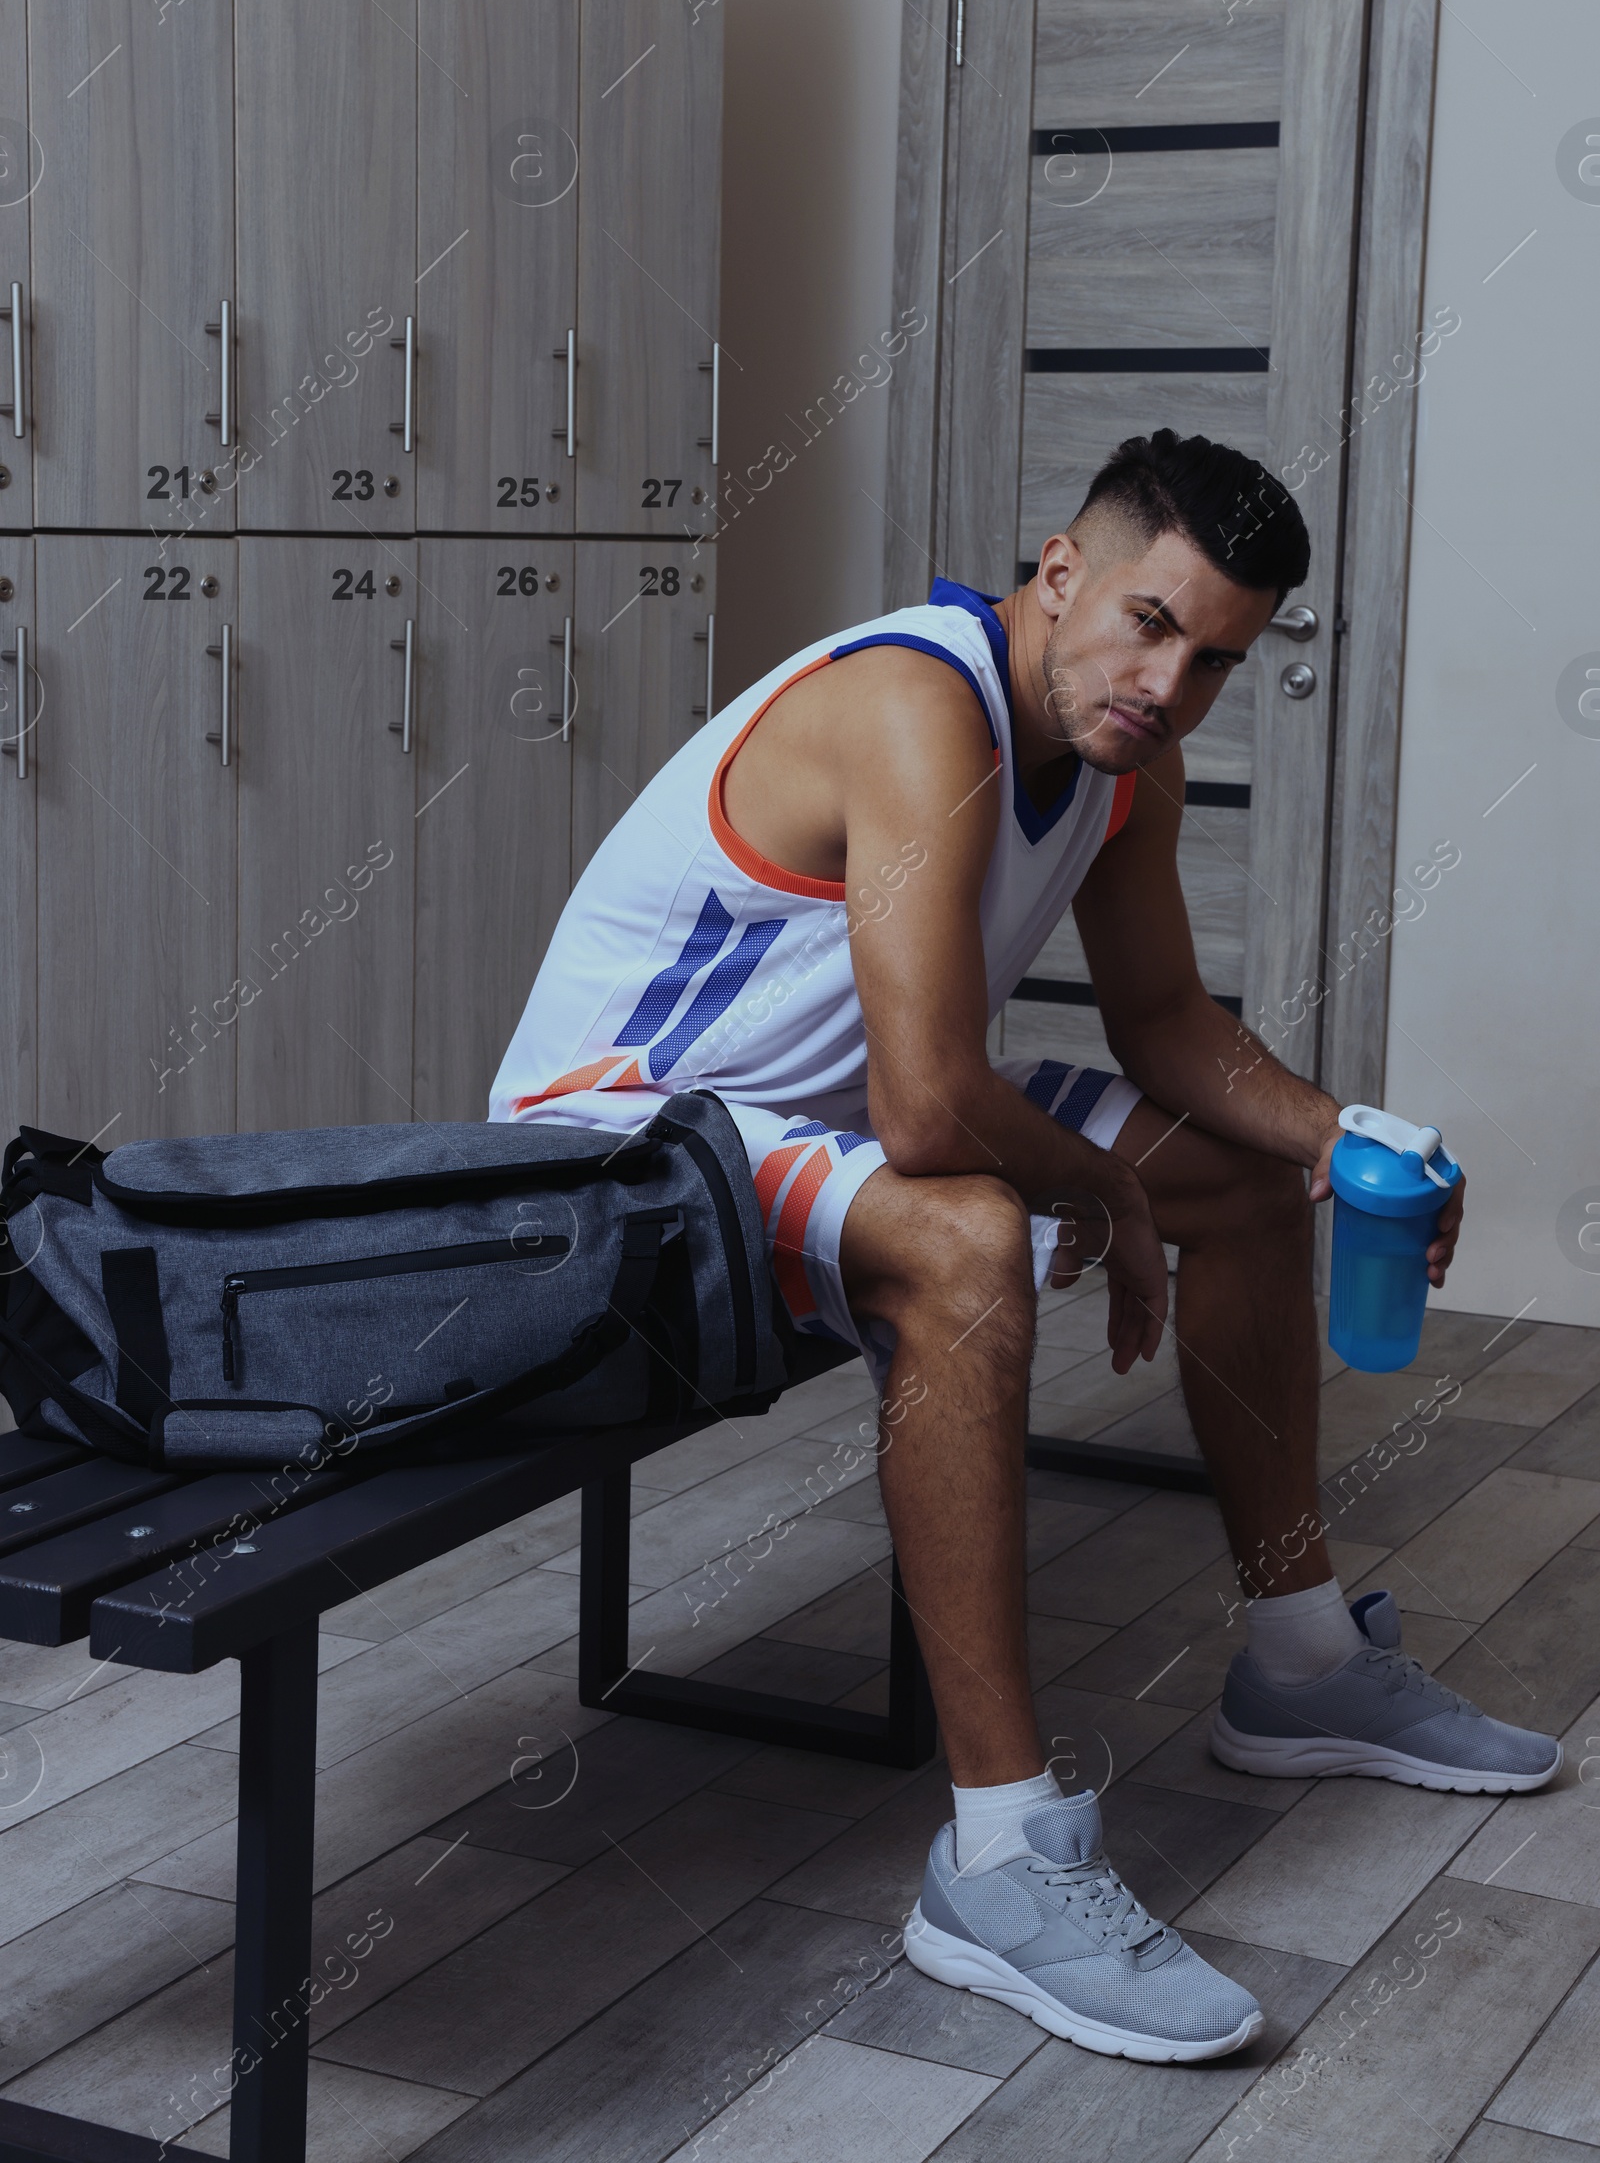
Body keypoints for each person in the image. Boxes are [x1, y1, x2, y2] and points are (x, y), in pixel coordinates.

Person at [490, 429, 1559, 2065]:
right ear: (1060, 570)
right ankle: (998, 1860)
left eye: (1212, 658)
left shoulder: (1132, 756)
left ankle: (1299, 1661)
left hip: (827, 1098)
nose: (1165, 681)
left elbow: (1167, 1022)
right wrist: (1105, 1201)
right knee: (973, 1234)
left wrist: (1352, 1135)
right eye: (1145, 620)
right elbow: (930, 1113)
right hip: (622, 1140)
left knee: (1247, 1181)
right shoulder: (921, 710)